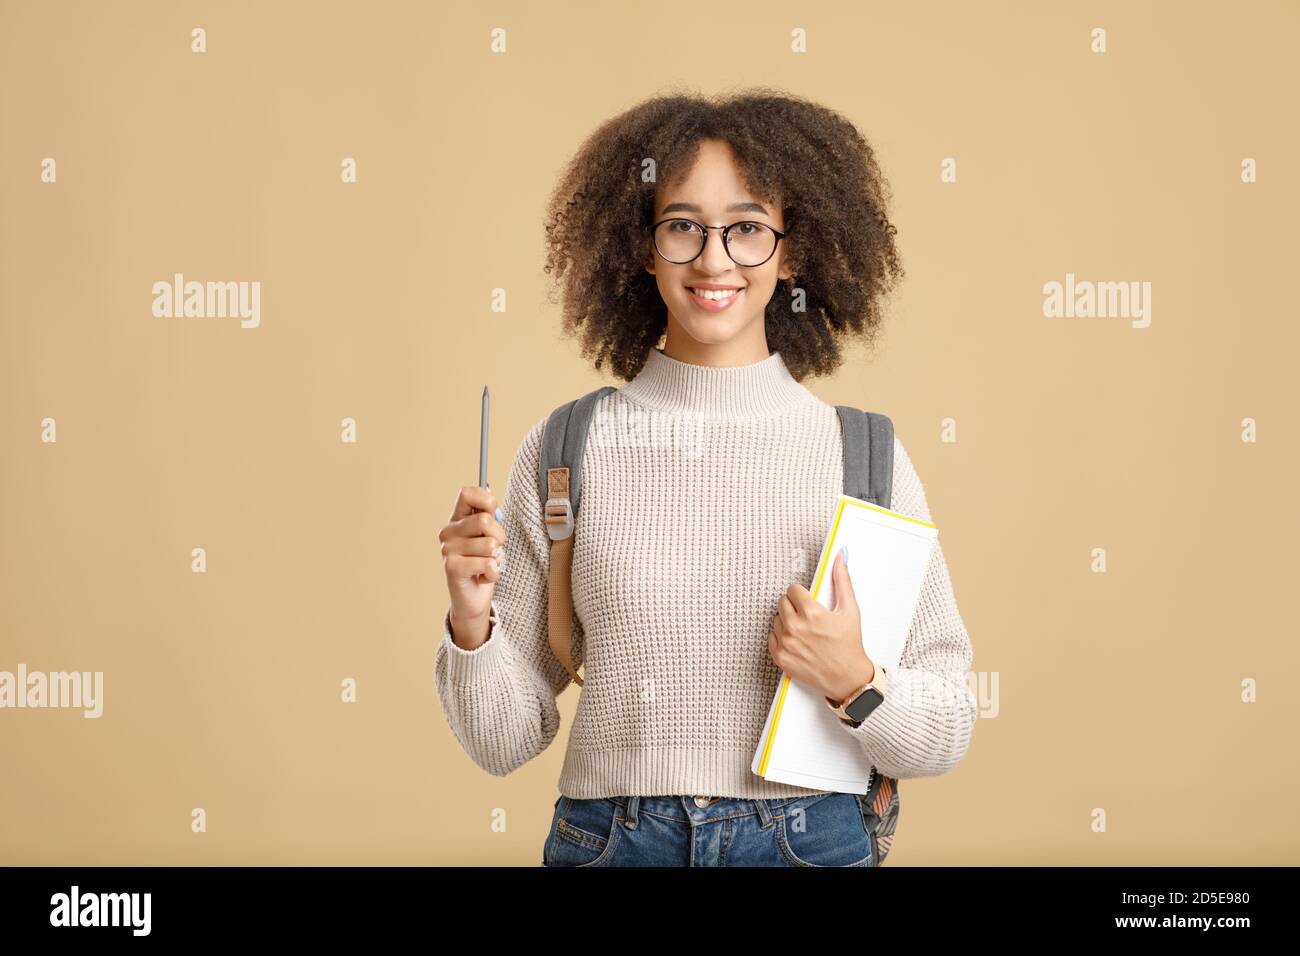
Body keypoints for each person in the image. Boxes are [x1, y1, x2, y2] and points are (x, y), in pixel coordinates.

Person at [435, 89, 977, 867]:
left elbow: (949, 722)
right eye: (683, 226)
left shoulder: (863, 455)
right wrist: (470, 623)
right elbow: (503, 741)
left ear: (791, 251)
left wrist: (854, 679)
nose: (714, 259)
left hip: (809, 840)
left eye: (748, 229)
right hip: (611, 843)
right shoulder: (566, 448)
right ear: (643, 247)